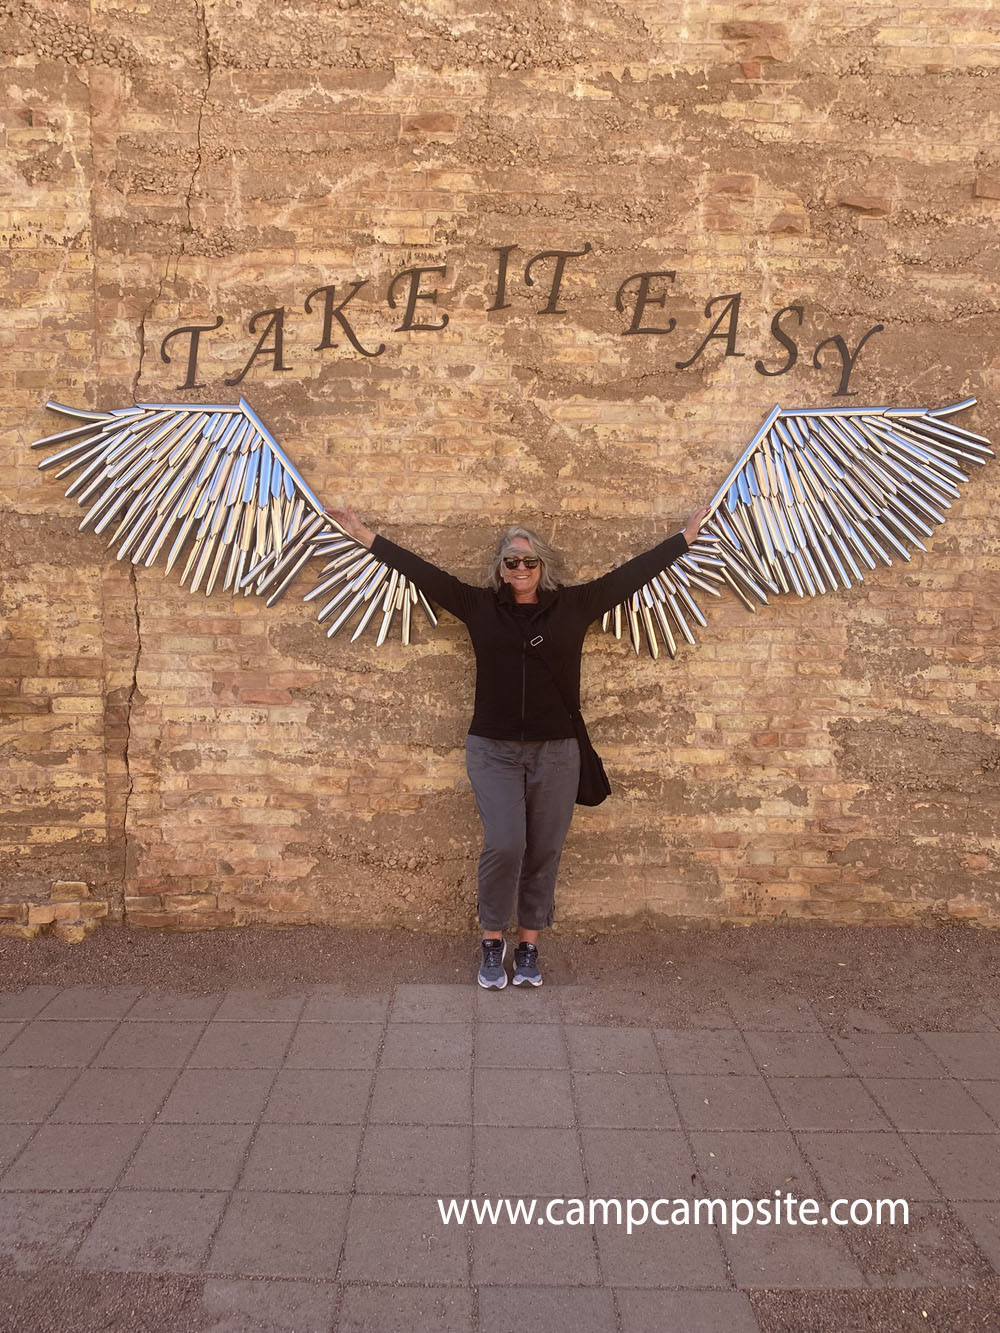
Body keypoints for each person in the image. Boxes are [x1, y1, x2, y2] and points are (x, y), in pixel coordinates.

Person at [326, 504, 710, 989]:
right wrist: (364, 535)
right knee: (506, 843)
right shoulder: (478, 606)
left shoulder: (575, 604)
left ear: (542, 566)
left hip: (558, 751)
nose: (521, 570)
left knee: (544, 850)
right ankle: (492, 941)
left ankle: (528, 945)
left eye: (529, 562)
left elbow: (630, 575)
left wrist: (684, 540)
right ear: (500, 569)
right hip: (493, 749)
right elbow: (421, 571)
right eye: (512, 562)